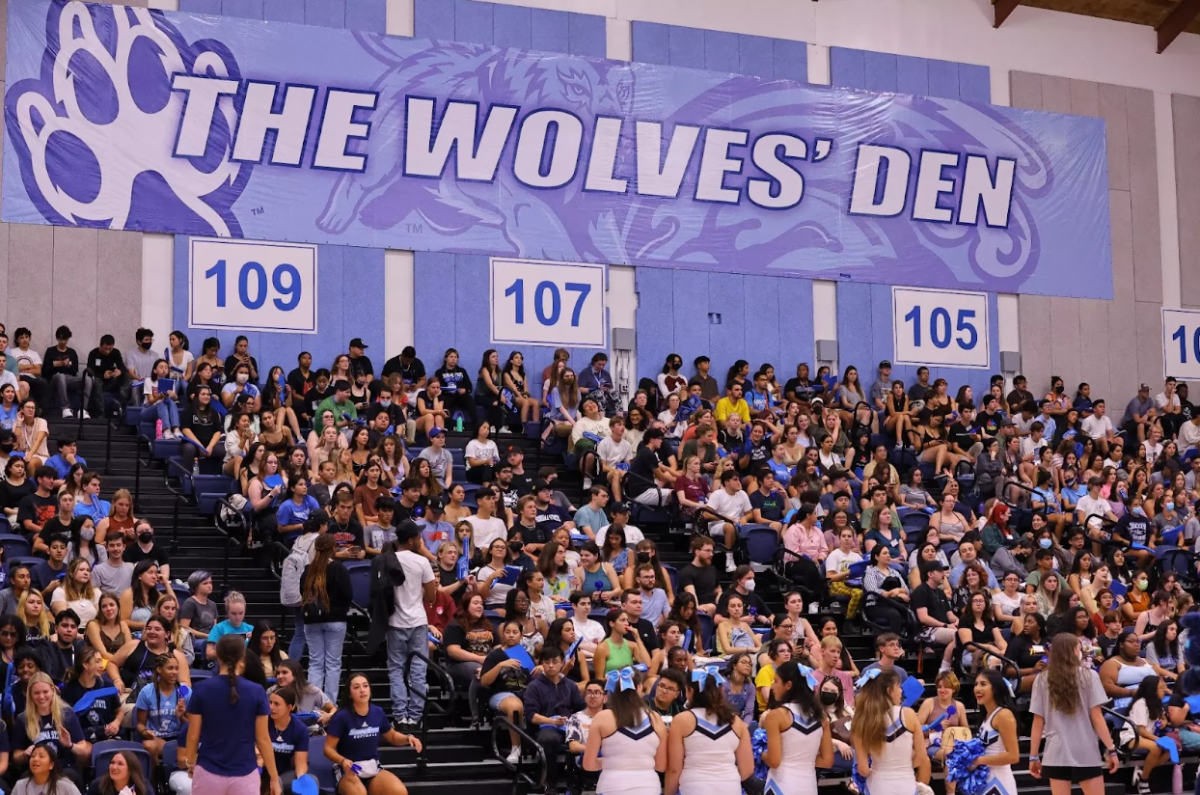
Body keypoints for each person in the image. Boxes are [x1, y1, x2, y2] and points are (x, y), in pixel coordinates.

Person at [182, 635, 280, 795]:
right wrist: (274, 778)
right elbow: (263, 739)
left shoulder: (201, 688)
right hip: (245, 774)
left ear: (217, 655)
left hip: (208, 771)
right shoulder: (257, 691)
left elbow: (193, 735)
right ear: (243, 656)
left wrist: (191, 763)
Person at [1028, 633, 1119, 794]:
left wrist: (1033, 756)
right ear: (1073, 651)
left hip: (1055, 754)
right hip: (1086, 752)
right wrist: (1111, 749)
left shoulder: (1041, 679)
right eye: (1079, 648)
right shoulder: (1090, 676)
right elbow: (1097, 718)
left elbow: (1037, 721)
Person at [664, 665, 753, 795]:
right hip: (730, 787)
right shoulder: (737, 722)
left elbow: (674, 769)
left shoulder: (682, 720)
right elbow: (747, 770)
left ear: (690, 691)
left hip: (695, 787)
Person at [582, 665, 667, 794]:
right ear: (639, 688)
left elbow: (588, 765)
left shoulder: (602, 717)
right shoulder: (656, 719)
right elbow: (661, 766)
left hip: (612, 786)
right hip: (649, 787)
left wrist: (611, 762)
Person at [387, 521, 436, 730]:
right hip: (417, 620)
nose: (421, 540)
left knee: (396, 670)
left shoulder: (387, 560)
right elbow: (432, 595)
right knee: (418, 669)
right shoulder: (422, 562)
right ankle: (415, 716)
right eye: (418, 537)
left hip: (394, 621)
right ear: (410, 540)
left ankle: (400, 715)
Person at [851, 669, 930, 794]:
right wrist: (903, 768)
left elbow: (863, 770)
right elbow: (921, 757)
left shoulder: (861, 720)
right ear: (889, 691)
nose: (901, 691)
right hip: (906, 786)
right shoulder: (908, 714)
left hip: (877, 786)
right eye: (898, 687)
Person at [762, 661, 833, 795]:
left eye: (776, 681)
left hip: (780, 786)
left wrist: (760, 753)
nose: (772, 686)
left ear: (788, 685)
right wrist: (803, 761)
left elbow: (774, 761)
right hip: (808, 787)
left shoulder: (776, 715)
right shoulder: (822, 718)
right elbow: (827, 761)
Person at [522, 646, 585, 792]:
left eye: (555, 661)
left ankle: (579, 782)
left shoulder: (570, 685)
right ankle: (550, 782)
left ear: (562, 662)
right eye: (547, 662)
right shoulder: (534, 686)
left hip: (569, 726)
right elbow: (531, 715)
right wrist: (552, 721)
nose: (551, 666)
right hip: (546, 726)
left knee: (587, 734)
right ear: (541, 663)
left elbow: (580, 708)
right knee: (548, 739)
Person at [302, 534, 351, 703]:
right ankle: (329, 704)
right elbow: (347, 595)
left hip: (312, 620)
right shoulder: (338, 568)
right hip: (335, 620)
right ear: (333, 548)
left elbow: (303, 593)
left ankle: (312, 705)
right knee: (332, 664)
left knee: (315, 662)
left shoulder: (308, 570)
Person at [134, 652, 189, 767]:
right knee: (149, 746)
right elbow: (140, 724)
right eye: (170, 668)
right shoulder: (147, 692)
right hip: (157, 739)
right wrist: (145, 732)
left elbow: (192, 725)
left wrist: (181, 716)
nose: (174, 672)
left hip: (180, 739)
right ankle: (157, 778)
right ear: (159, 669)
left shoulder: (185, 692)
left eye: (176, 668)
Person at [1120, 675, 1173, 795]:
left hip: (1145, 737)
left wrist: (1163, 722)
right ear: (1153, 690)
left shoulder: (1156, 703)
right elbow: (1140, 730)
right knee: (1156, 747)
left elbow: (1164, 719)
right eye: (1161, 688)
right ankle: (1144, 780)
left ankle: (1143, 771)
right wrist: (1158, 739)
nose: (1164, 690)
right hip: (1131, 737)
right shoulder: (1141, 704)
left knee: (1171, 748)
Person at [265, 687, 318, 795]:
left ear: (289, 707)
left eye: (276, 704)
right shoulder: (263, 722)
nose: (271, 707)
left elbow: (301, 763)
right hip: (263, 773)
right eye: (270, 703)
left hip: (284, 774)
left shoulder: (300, 729)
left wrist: (301, 779)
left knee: (310, 781)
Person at [13, 745, 80, 795]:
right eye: (33, 756)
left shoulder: (65, 786)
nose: (35, 759)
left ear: (51, 765)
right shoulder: (20, 785)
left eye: (41, 756)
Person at [86, 749, 150, 795]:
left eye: (120, 764)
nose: (114, 767)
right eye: (112, 763)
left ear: (131, 770)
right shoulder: (97, 785)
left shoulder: (144, 787)